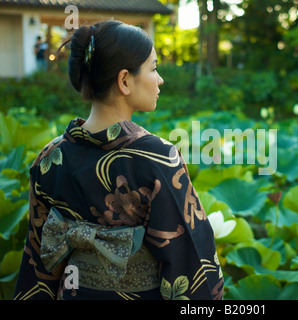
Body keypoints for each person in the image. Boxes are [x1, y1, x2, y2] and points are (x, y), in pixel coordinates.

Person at [14, 20, 224, 300]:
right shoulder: (158, 158)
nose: (160, 79)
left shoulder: (49, 158)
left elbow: (36, 262)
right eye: (154, 68)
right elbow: (190, 259)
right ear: (125, 80)